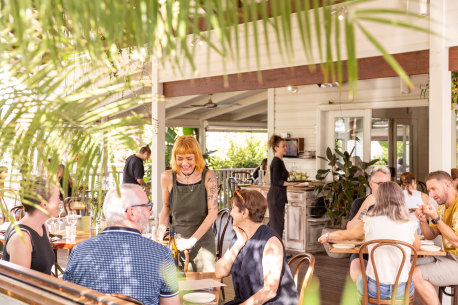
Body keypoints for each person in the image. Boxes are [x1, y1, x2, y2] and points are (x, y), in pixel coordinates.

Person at [63, 184, 179, 305]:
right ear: (131, 212)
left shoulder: (79, 251)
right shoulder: (161, 254)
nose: (151, 211)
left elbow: (66, 297)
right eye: (147, 206)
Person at [318, 182, 420, 300]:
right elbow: (416, 247)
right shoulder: (410, 224)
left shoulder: (369, 221)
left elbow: (347, 234)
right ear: (401, 199)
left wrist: (327, 236)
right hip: (402, 290)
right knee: (409, 277)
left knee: (361, 278)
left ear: (378, 199)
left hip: (375, 289)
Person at [215, 189, 298, 305]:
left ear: (244, 213)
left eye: (233, 208)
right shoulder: (240, 236)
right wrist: (238, 244)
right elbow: (219, 272)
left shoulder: (270, 242)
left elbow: (269, 292)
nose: (230, 213)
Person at [157, 135, 217, 272]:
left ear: (197, 157)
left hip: (203, 243)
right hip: (177, 243)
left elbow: (213, 212)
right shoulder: (167, 177)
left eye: (189, 158)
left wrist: (192, 241)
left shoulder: (209, 176)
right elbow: (166, 208)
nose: (184, 164)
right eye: (179, 159)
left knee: (205, 289)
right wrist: (160, 234)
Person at [413, 171, 458, 305]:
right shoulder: (441, 208)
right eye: (429, 190)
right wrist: (423, 221)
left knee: (416, 274)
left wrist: (436, 218)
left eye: (433, 189)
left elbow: (456, 241)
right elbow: (430, 235)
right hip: (449, 256)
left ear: (447, 186)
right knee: (407, 267)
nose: (431, 195)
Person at [3, 176, 59, 275]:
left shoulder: (43, 227)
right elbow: (21, 286)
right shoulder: (22, 238)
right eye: (57, 198)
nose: (60, 201)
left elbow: (46, 273)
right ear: (44, 205)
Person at [345, 165, 391, 281]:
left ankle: (380, 296)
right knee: (357, 271)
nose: (385, 188)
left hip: (387, 250)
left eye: (387, 184)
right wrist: (365, 205)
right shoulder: (359, 203)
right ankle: (366, 298)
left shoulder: (395, 204)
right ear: (371, 184)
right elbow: (349, 231)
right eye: (380, 184)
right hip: (362, 249)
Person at [266, 135, 298, 238]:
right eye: (283, 146)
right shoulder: (276, 162)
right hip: (276, 195)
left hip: (278, 195)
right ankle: (277, 250)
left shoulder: (280, 161)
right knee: (277, 225)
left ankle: (274, 248)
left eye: (286, 146)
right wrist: (291, 184)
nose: (286, 148)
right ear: (276, 148)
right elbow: (276, 181)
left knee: (277, 224)